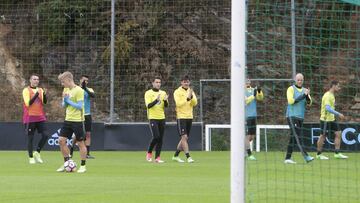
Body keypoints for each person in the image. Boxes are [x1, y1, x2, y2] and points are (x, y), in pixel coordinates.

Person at [56, 71, 87, 173]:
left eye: (63, 82)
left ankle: (83, 166)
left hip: (77, 120)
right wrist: (65, 100)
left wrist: (68, 100)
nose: (62, 84)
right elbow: (64, 105)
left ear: (69, 80)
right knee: (61, 141)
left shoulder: (79, 90)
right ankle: (67, 163)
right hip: (67, 120)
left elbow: (79, 106)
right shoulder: (65, 90)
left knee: (80, 143)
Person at [284, 73, 314, 164]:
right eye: (298, 80)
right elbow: (291, 101)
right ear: (295, 80)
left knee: (293, 137)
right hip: (291, 116)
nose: (300, 81)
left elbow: (309, 103)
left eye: (301, 80)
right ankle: (306, 156)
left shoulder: (305, 90)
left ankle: (287, 158)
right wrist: (303, 96)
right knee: (297, 136)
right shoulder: (290, 89)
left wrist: (307, 96)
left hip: (300, 117)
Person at [317, 80, 348, 159]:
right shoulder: (327, 95)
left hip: (332, 119)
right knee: (322, 136)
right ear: (333, 86)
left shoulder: (332, 95)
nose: (339, 88)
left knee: (338, 133)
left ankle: (337, 153)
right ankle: (319, 154)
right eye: (338, 86)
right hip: (325, 120)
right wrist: (338, 114)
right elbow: (327, 108)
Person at [22, 74, 49, 164]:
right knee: (30, 138)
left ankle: (37, 152)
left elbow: (45, 102)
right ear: (30, 80)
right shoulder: (26, 90)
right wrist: (36, 94)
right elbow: (28, 103)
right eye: (34, 79)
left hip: (40, 117)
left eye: (37, 79)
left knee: (45, 135)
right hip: (30, 117)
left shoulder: (40, 90)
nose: (36, 81)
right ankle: (31, 157)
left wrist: (44, 95)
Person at [172, 75, 197, 163]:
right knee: (184, 137)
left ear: (189, 82)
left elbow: (195, 103)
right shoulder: (177, 92)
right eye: (184, 81)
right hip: (181, 117)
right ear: (181, 82)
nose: (186, 83)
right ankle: (188, 157)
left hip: (189, 117)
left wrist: (192, 97)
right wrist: (187, 98)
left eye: (187, 81)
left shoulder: (191, 91)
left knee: (184, 139)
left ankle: (175, 156)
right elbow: (178, 104)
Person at [70, 75, 95, 159]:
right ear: (80, 80)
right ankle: (71, 150)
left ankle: (87, 153)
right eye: (84, 80)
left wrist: (85, 88)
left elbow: (92, 95)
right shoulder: (76, 89)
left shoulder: (89, 89)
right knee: (77, 135)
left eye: (87, 81)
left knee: (88, 134)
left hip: (87, 115)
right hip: (79, 115)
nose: (85, 82)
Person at [144, 76, 168, 163]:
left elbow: (166, 106)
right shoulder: (148, 93)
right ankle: (149, 152)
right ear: (153, 83)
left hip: (162, 118)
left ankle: (157, 157)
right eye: (156, 82)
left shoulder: (163, 92)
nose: (158, 84)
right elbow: (148, 106)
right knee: (156, 137)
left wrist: (165, 101)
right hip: (153, 118)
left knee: (161, 139)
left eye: (159, 82)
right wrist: (156, 100)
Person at [245, 79, 264, 161]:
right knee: (247, 136)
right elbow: (246, 101)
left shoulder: (253, 90)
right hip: (246, 116)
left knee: (252, 137)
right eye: (246, 81)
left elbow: (260, 98)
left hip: (254, 116)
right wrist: (253, 95)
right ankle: (249, 154)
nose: (247, 82)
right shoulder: (241, 91)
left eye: (248, 81)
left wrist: (259, 91)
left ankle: (243, 148)